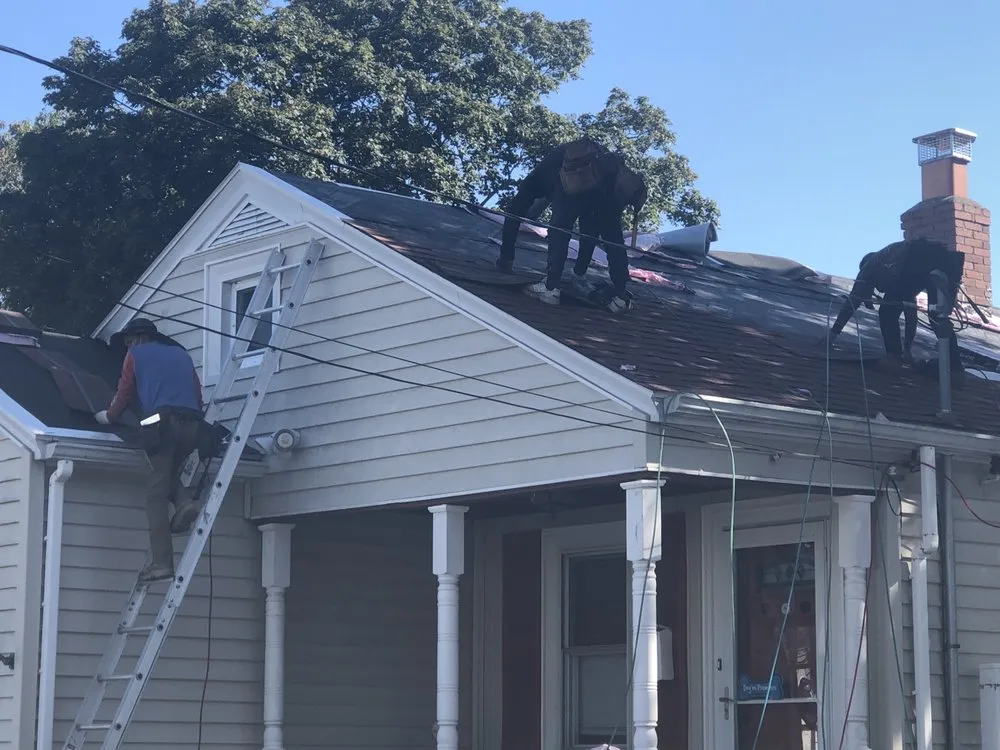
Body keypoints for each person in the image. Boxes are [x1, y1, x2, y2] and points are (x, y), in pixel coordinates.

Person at [95, 317, 205, 583]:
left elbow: (124, 392)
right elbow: (197, 394)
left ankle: (161, 563)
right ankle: (184, 503)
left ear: (140, 337)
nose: (129, 345)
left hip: (163, 424)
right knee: (164, 473)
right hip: (193, 425)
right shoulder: (181, 354)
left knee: (154, 494)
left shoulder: (135, 354)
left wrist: (108, 417)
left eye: (130, 340)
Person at [496, 139, 647, 312]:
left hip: (582, 179)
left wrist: (505, 258)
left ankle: (550, 288)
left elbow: (515, 212)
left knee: (559, 229)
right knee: (609, 236)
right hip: (609, 188)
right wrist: (579, 274)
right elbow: (592, 234)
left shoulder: (547, 174)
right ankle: (621, 297)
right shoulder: (598, 169)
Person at [823, 238, 965, 373]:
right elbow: (911, 313)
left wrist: (832, 335)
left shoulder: (871, 264)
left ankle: (893, 358)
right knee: (938, 316)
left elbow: (852, 301)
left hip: (917, 256)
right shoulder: (901, 268)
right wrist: (907, 350)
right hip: (947, 261)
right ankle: (955, 369)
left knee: (887, 312)